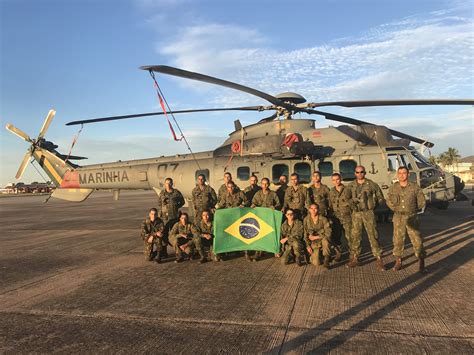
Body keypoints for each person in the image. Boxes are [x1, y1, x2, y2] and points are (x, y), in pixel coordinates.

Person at [387, 166, 426, 272]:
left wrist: (414, 210)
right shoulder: (393, 187)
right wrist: (395, 209)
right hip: (398, 217)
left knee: (417, 240)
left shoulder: (414, 187)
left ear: (408, 174)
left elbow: (421, 201)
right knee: (398, 240)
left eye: (404, 173)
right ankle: (398, 261)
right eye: (399, 173)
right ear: (397, 175)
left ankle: (421, 261)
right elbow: (389, 200)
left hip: (412, 216)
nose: (402, 175)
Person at [346, 165, 386, 271]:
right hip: (356, 214)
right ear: (355, 173)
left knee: (373, 235)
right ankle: (355, 258)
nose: (360, 174)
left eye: (362, 172)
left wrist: (373, 207)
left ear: (365, 173)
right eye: (357, 172)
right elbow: (347, 198)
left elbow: (380, 197)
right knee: (355, 236)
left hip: (368, 213)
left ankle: (379, 259)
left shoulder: (372, 184)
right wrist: (352, 205)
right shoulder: (351, 186)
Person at [157, 177, 185, 256]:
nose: (168, 185)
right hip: (165, 218)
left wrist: (176, 206)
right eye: (166, 183)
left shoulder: (176, 192)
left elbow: (182, 201)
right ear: (164, 184)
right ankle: (163, 251)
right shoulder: (162, 193)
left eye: (170, 183)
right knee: (164, 233)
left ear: (172, 184)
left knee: (175, 234)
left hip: (174, 217)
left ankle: (178, 251)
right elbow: (159, 203)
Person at [328, 173, 351, 262]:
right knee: (336, 237)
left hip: (347, 217)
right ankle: (338, 253)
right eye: (333, 180)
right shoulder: (331, 191)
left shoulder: (347, 190)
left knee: (349, 236)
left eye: (337, 179)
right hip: (336, 218)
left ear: (340, 179)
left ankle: (352, 254)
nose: (336, 181)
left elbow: (352, 202)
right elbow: (330, 205)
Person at [304, 203, 332, 268]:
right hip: (313, 243)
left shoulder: (323, 219)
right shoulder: (306, 220)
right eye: (312, 209)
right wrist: (308, 246)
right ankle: (318, 254)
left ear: (318, 210)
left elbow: (328, 233)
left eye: (315, 209)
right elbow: (305, 234)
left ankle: (326, 259)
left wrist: (316, 237)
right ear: (309, 210)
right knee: (316, 263)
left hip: (322, 239)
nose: (314, 211)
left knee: (326, 240)